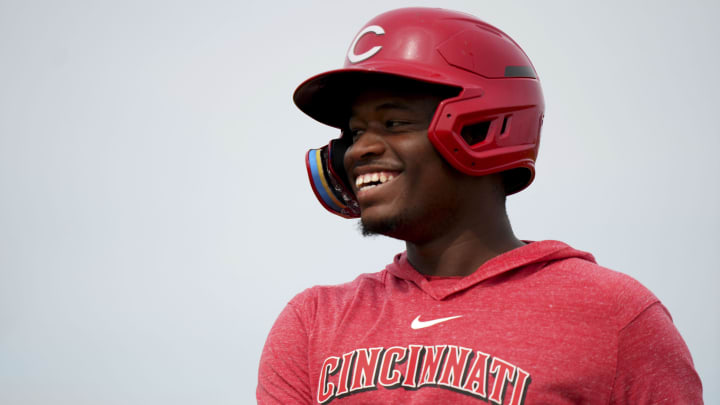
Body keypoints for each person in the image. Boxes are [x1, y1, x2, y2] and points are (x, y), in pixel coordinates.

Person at [257, 7, 703, 404]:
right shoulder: (313, 323)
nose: (358, 151)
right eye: (354, 134)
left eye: (393, 122)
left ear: (483, 129)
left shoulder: (615, 316)